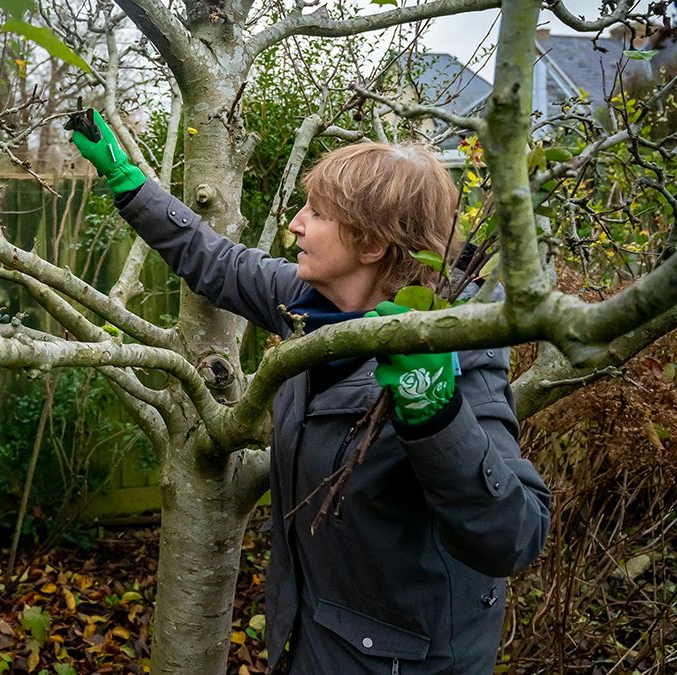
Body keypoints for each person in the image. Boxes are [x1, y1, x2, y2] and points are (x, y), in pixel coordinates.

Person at [70, 111, 551, 673]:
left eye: (317, 213)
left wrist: (436, 413)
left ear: (371, 244)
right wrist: (131, 186)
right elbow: (219, 262)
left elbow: (514, 537)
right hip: (309, 646)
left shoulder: (457, 351)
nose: (295, 224)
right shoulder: (313, 307)